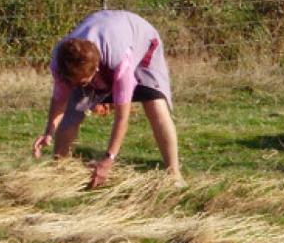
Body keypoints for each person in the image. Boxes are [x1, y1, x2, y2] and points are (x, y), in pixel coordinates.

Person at [32, 10, 184, 188]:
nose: (75, 85)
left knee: (155, 104)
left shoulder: (120, 64)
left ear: (96, 69)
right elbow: (60, 100)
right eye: (71, 82)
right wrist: (49, 131)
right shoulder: (62, 62)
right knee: (72, 113)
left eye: (81, 82)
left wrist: (108, 159)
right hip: (105, 36)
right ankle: (59, 172)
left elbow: (122, 117)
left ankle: (174, 174)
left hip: (141, 41)